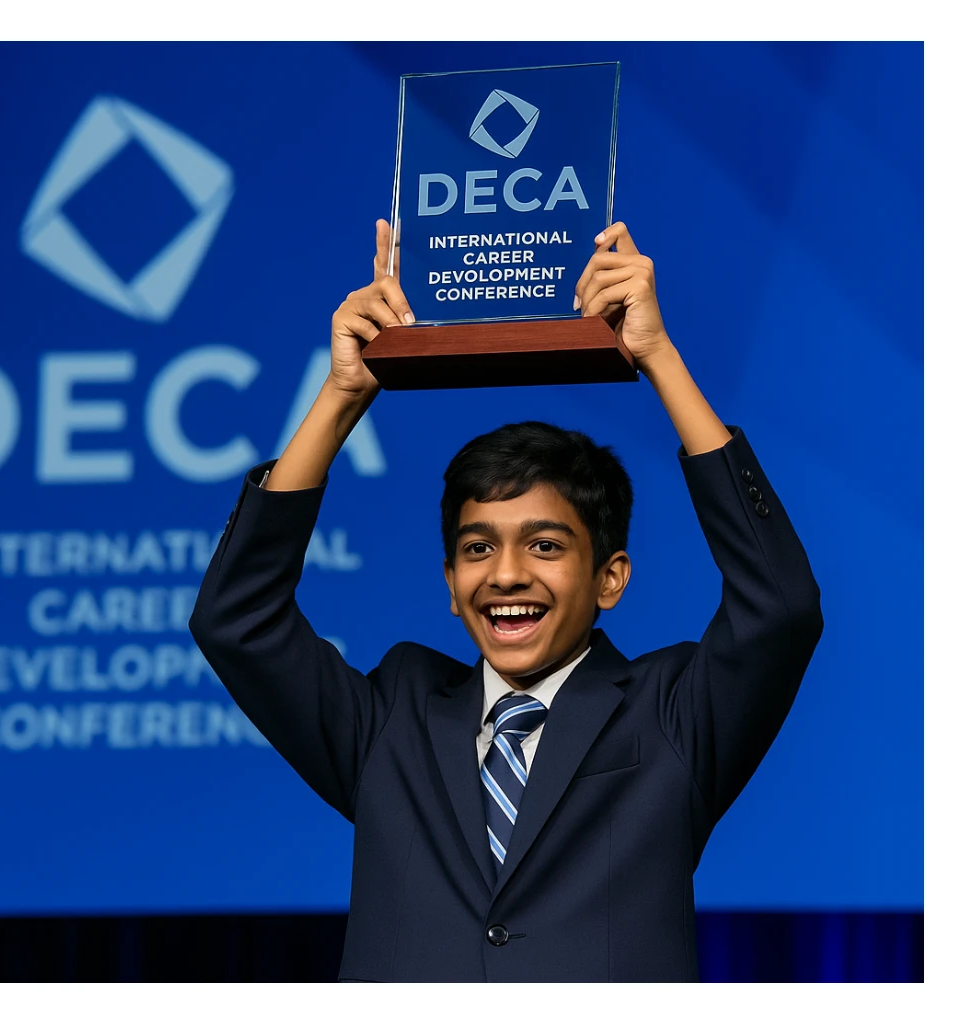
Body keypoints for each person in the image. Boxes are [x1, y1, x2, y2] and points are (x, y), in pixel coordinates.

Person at [189, 219, 823, 982]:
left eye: (546, 546)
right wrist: (342, 394)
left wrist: (656, 356)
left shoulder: (671, 715)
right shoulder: (394, 718)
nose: (507, 574)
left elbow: (780, 605)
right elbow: (236, 620)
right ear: (451, 587)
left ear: (611, 579)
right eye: (478, 548)